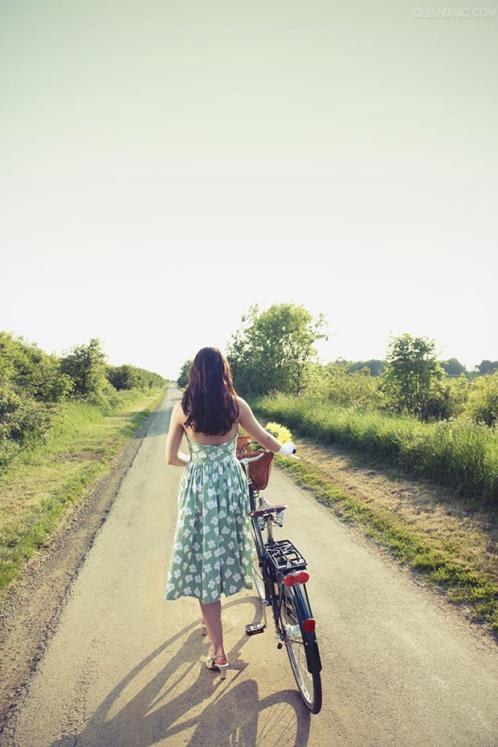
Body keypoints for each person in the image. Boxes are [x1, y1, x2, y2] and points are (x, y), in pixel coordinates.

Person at [163, 346, 296, 679]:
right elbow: (265, 438)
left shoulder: (183, 409)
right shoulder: (236, 406)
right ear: (223, 371)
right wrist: (287, 450)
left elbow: (171, 458)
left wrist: (196, 463)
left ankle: (218, 651)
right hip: (230, 486)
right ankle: (229, 622)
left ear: (194, 374)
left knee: (202, 556)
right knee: (223, 549)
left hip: (198, 488)